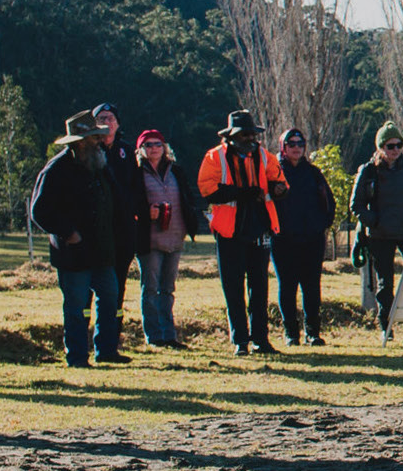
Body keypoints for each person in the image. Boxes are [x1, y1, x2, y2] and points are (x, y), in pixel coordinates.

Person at [29, 111, 133, 365]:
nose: (99, 141)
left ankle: (107, 351)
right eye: (92, 138)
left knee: (110, 301)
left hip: (103, 252)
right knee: (76, 307)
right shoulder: (56, 170)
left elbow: (116, 203)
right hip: (73, 254)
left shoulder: (100, 165)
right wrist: (68, 233)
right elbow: (39, 211)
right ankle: (76, 355)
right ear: (78, 142)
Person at [195, 109, 286, 356]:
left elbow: (280, 182)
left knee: (259, 287)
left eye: (252, 134)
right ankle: (240, 341)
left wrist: (278, 188)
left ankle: (261, 341)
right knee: (233, 288)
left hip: (259, 227)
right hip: (229, 232)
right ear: (231, 136)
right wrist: (241, 193)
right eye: (243, 135)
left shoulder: (265, 157)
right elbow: (208, 190)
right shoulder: (215, 157)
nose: (249, 140)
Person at [350, 123, 403, 337]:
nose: (395, 150)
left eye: (398, 145)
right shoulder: (368, 171)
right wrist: (374, 221)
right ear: (380, 147)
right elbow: (356, 204)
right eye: (390, 146)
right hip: (381, 236)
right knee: (384, 283)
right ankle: (385, 324)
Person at [128, 128, 200, 349]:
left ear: (165, 147)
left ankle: (169, 335)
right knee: (150, 289)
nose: (153, 149)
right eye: (148, 145)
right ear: (140, 150)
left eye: (157, 144)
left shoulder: (175, 171)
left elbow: (187, 197)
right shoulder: (136, 173)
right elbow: (129, 202)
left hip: (174, 236)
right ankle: (154, 336)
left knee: (167, 289)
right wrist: (145, 212)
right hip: (149, 240)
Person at [271, 127, 335, 345]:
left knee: (311, 286)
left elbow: (328, 201)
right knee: (287, 286)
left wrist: (322, 225)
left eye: (301, 144)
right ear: (283, 147)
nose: (297, 148)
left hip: (311, 238)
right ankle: (291, 333)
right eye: (292, 144)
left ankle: (313, 332)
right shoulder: (274, 172)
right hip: (283, 240)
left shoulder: (313, 172)